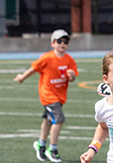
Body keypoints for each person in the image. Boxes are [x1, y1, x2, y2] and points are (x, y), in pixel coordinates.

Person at [14, 29, 78, 162]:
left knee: (48, 120)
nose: (62, 44)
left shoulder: (69, 60)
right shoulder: (47, 58)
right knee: (59, 120)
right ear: (53, 43)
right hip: (48, 95)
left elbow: (72, 79)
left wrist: (71, 76)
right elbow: (34, 68)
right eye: (59, 41)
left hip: (60, 96)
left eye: (65, 41)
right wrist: (22, 77)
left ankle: (41, 145)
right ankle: (52, 149)